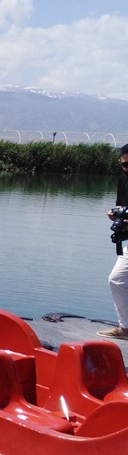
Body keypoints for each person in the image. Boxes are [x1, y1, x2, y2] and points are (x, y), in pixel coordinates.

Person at [100, 144, 128, 338]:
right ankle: (125, 328)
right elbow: (121, 205)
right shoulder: (123, 180)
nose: (127, 168)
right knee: (116, 280)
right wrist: (116, 215)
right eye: (124, 165)